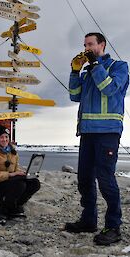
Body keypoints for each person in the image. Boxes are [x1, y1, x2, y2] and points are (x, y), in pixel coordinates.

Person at [66, 32, 129, 245]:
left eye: (90, 44)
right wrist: (75, 71)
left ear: (101, 45)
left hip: (108, 132)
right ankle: (88, 220)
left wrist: (94, 65)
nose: (86, 48)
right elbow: (74, 95)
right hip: (87, 132)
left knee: (105, 179)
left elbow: (109, 89)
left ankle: (113, 226)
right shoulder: (88, 71)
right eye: (84, 44)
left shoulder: (118, 67)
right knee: (84, 179)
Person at [0, 125, 40, 225]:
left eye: (6, 137)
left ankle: (15, 206)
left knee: (34, 183)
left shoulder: (13, 153)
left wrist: (23, 173)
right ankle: (1, 212)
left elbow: (15, 169)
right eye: (1, 137)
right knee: (20, 185)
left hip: (10, 183)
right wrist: (10, 175)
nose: (4, 139)